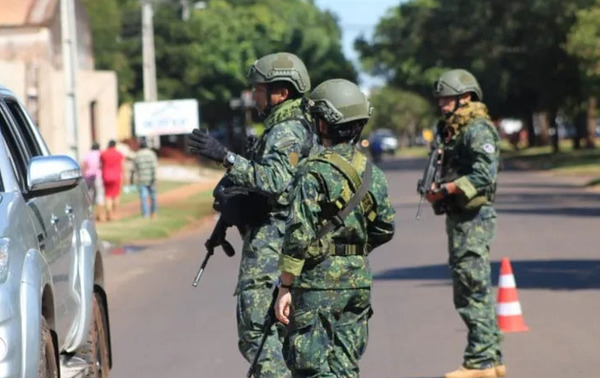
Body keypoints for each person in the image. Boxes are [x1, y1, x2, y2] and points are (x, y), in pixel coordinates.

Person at [188, 52, 314, 377]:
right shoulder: (282, 127)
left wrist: (224, 155)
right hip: (276, 240)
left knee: (257, 335)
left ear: (281, 93)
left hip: (275, 247)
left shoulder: (287, 131)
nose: (253, 94)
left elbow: (275, 181)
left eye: (259, 88)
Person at [274, 79, 396, 377]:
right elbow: (386, 227)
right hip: (358, 281)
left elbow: (298, 236)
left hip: (318, 284)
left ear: (323, 123)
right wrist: (352, 251)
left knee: (311, 368)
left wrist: (285, 285)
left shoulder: (312, 171)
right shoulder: (372, 172)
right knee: (344, 367)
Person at [425, 69, 504, 378]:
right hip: (461, 217)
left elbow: (485, 175)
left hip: (474, 219)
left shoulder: (478, 129)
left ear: (466, 97)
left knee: (472, 289)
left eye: (448, 98)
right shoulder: (454, 129)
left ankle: (480, 362)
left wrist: (449, 189)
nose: (442, 104)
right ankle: (492, 358)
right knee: (471, 288)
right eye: (440, 99)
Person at [132, 139, 158, 219]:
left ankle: (145, 214)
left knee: (143, 197)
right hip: (151, 179)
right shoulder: (151, 154)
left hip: (141, 179)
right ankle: (153, 213)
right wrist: (155, 178)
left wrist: (133, 179)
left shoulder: (137, 155)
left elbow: (134, 169)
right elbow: (154, 167)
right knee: (153, 197)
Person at [100, 140, 124, 221]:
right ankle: (114, 214)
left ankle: (109, 214)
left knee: (108, 196)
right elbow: (122, 165)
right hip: (117, 176)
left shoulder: (103, 154)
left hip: (106, 176)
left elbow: (101, 164)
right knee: (116, 195)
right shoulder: (119, 154)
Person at [81, 142, 105, 221]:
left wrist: (83, 173)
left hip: (88, 176)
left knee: (89, 195)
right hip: (98, 175)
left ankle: (89, 213)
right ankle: (101, 215)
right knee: (99, 194)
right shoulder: (100, 154)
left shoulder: (88, 154)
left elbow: (84, 164)